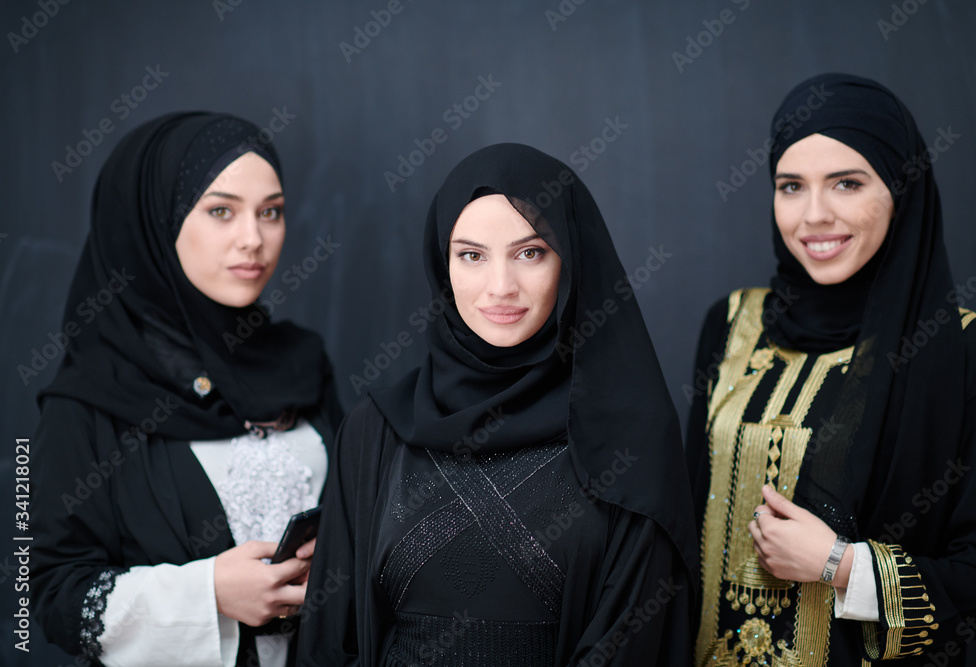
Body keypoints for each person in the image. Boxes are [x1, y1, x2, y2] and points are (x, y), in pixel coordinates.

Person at [296, 143, 698, 665]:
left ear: (572, 261)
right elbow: (332, 640)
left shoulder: (630, 432)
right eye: (471, 255)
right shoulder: (376, 430)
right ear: (443, 266)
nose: (500, 287)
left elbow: (637, 640)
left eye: (530, 253)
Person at [686, 73, 976, 666]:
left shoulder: (964, 352)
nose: (814, 216)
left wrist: (841, 565)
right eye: (790, 186)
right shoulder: (731, 324)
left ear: (902, 192)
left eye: (847, 183)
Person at [30, 112, 344, 667]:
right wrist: (209, 594)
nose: (254, 239)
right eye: (221, 211)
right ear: (153, 222)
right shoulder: (88, 400)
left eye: (270, 212)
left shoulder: (301, 362)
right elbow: (50, 597)